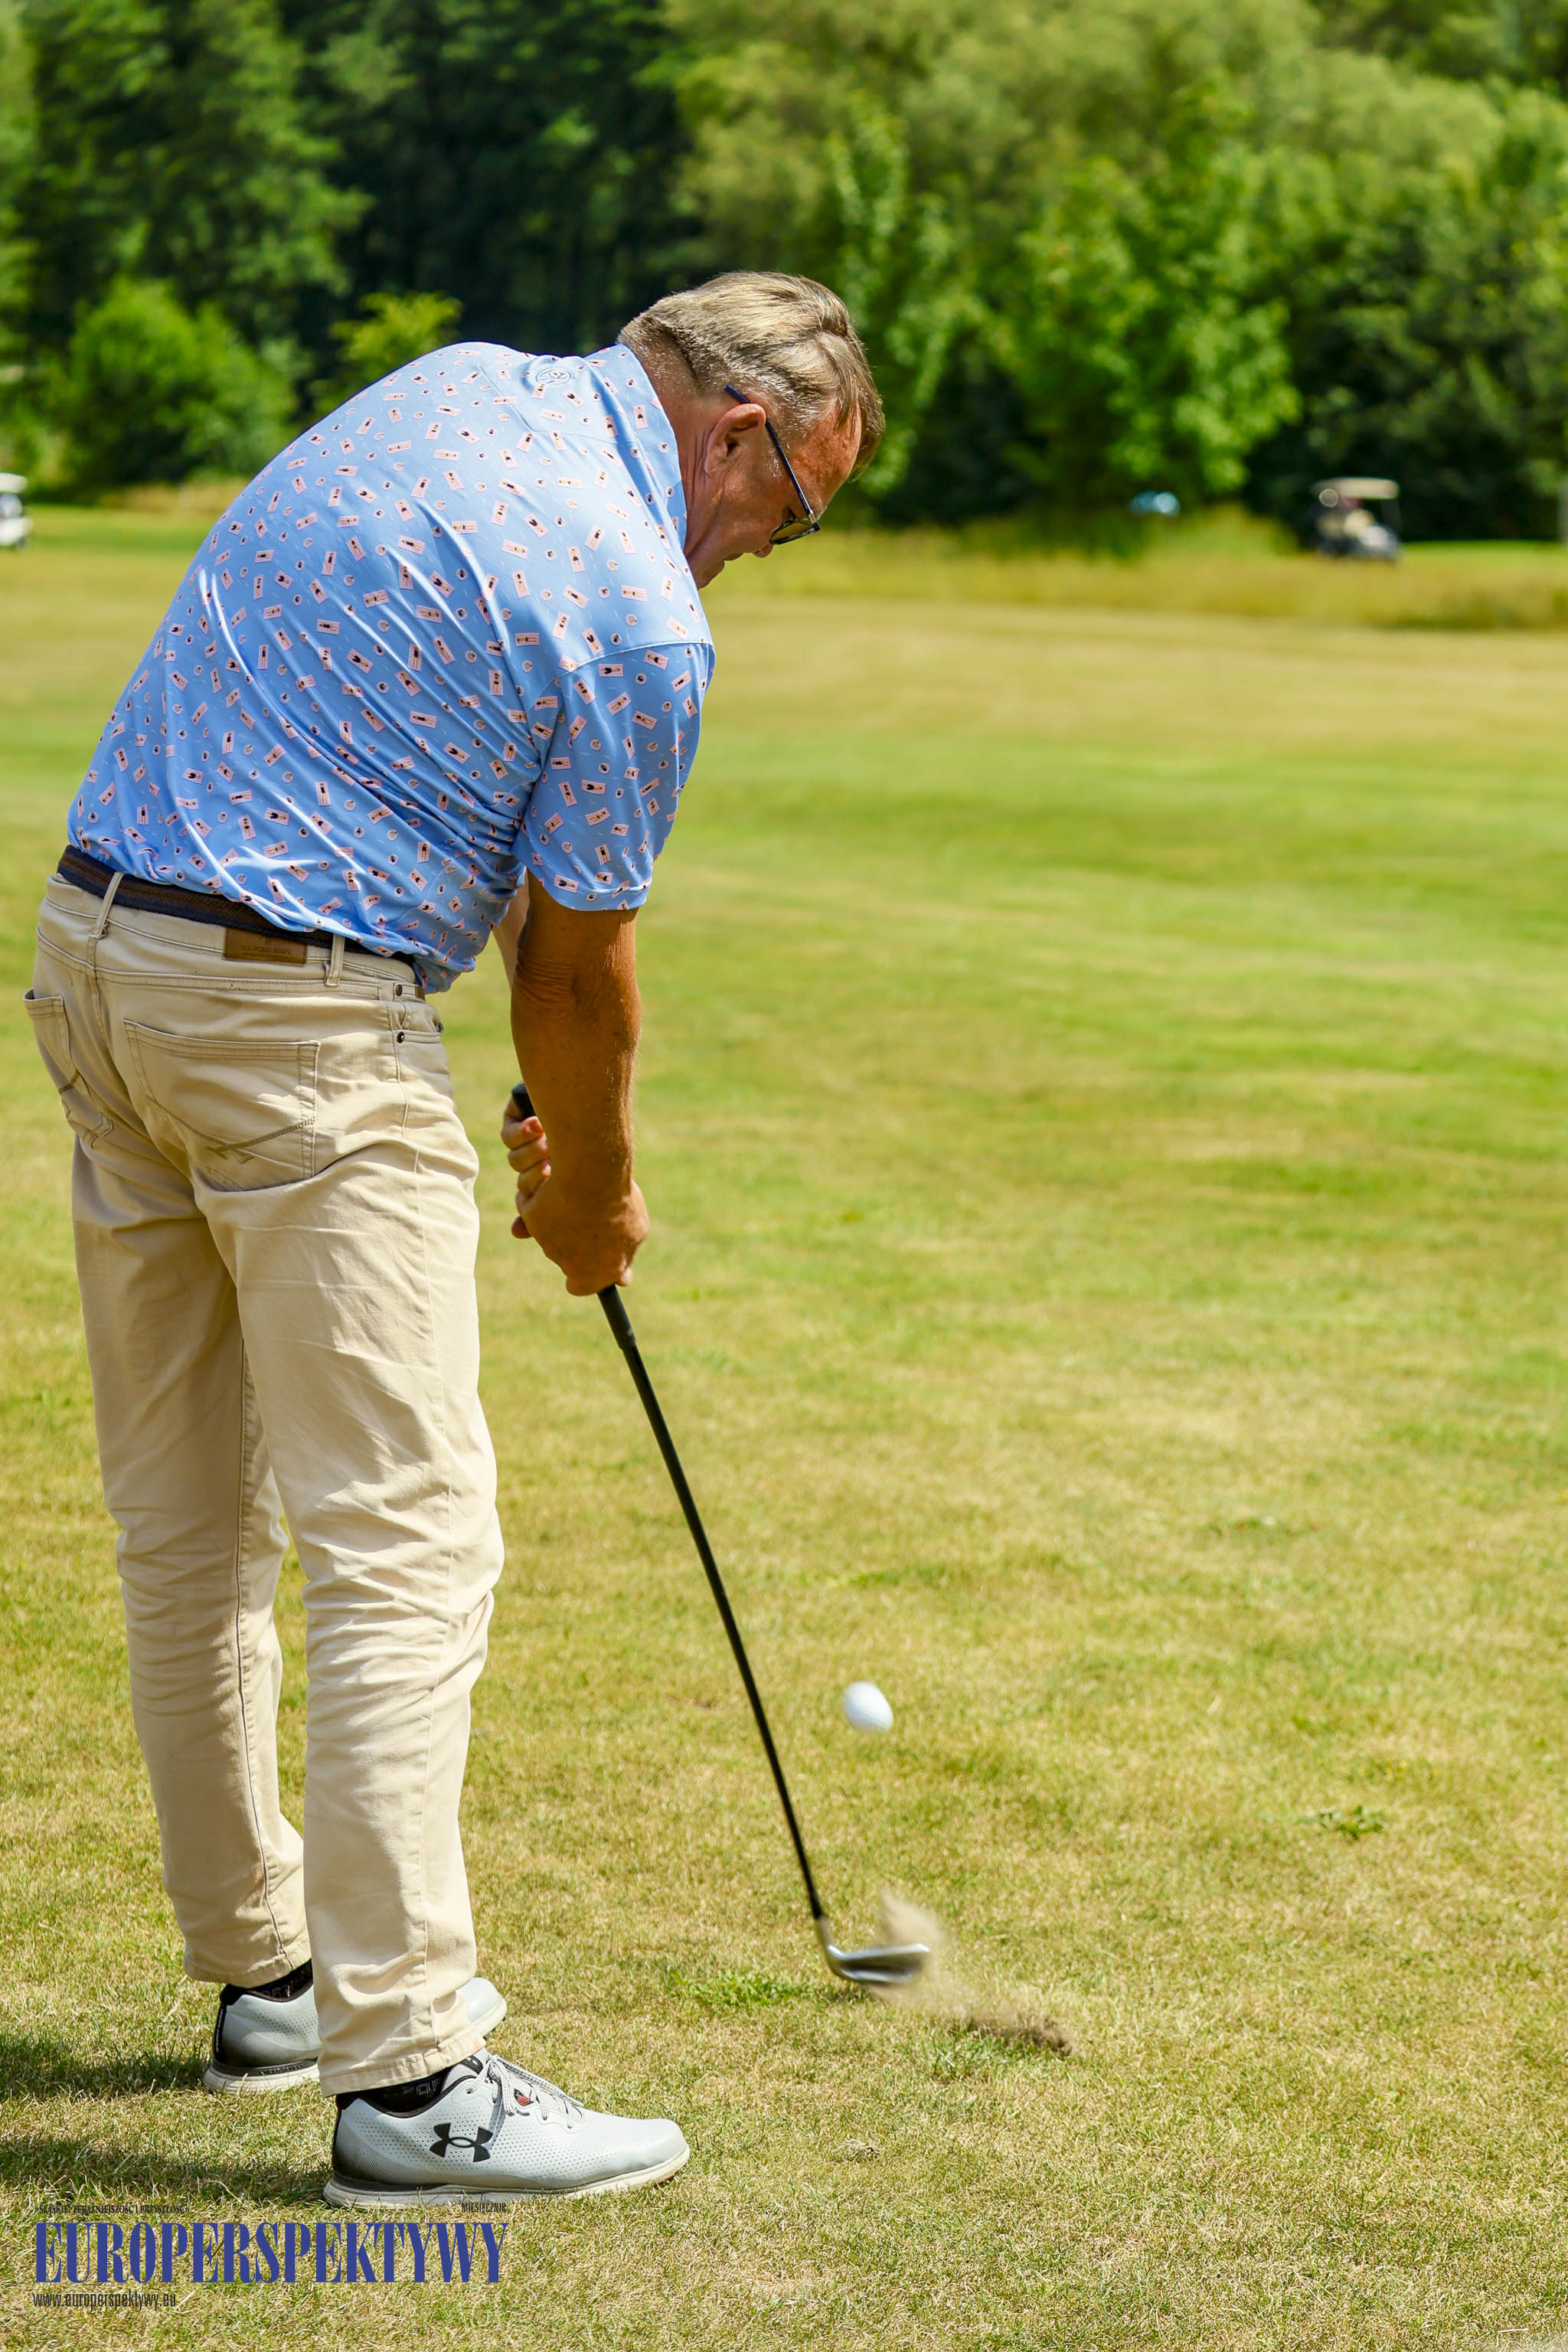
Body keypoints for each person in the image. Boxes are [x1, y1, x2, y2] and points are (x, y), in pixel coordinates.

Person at [25, 272, 882, 2207]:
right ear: (741, 433)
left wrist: (539, 1098)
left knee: (190, 1523)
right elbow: (580, 974)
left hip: (100, 958)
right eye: (790, 513)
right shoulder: (642, 605)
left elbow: (461, 791)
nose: (761, 552)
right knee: (407, 1540)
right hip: (296, 1030)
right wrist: (594, 1192)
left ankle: (269, 1979)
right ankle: (411, 2081)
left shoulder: (453, 392)